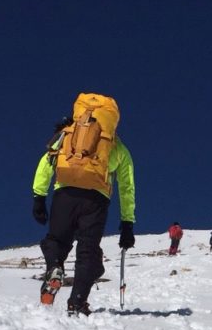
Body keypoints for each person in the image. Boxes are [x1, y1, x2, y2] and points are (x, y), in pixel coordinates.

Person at [32, 94, 135, 316]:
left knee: (56, 240)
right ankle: (77, 302)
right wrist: (127, 222)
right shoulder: (116, 147)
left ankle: (54, 267)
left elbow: (47, 162)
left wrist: (39, 196)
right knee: (88, 250)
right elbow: (127, 187)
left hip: (65, 192)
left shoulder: (67, 134)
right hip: (96, 200)